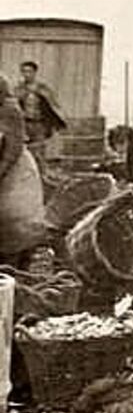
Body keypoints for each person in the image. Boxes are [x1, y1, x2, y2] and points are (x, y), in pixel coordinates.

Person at [0, 75, 45, 265]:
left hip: (15, 170)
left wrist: (0, 171)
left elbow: (13, 149)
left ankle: (14, 270)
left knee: (13, 217)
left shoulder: (10, 110)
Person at [15, 61, 67, 154]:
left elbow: (53, 104)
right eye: (24, 71)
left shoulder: (43, 88)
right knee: (23, 151)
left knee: (39, 151)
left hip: (39, 124)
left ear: (35, 73)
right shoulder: (19, 89)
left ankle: (40, 168)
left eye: (29, 71)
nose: (26, 74)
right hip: (24, 124)